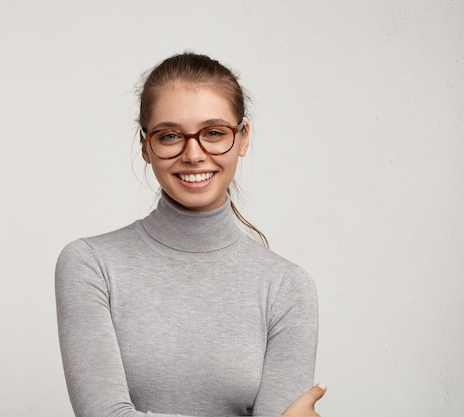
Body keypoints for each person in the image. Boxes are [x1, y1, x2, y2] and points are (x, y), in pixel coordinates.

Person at [56, 52, 325, 417]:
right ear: (145, 146)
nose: (193, 154)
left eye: (214, 132)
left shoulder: (287, 287)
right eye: (170, 136)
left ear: (243, 138)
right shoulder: (91, 265)